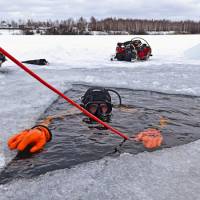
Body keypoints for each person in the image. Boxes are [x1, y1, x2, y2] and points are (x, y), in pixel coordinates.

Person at [7, 87, 163, 154]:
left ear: (110, 106)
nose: (99, 112)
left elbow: (158, 115)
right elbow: (50, 118)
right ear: (84, 107)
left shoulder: (122, 109)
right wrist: (41, 130)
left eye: (103, 107)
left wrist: (156, 128)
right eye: (93, 108)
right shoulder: (76, 111)